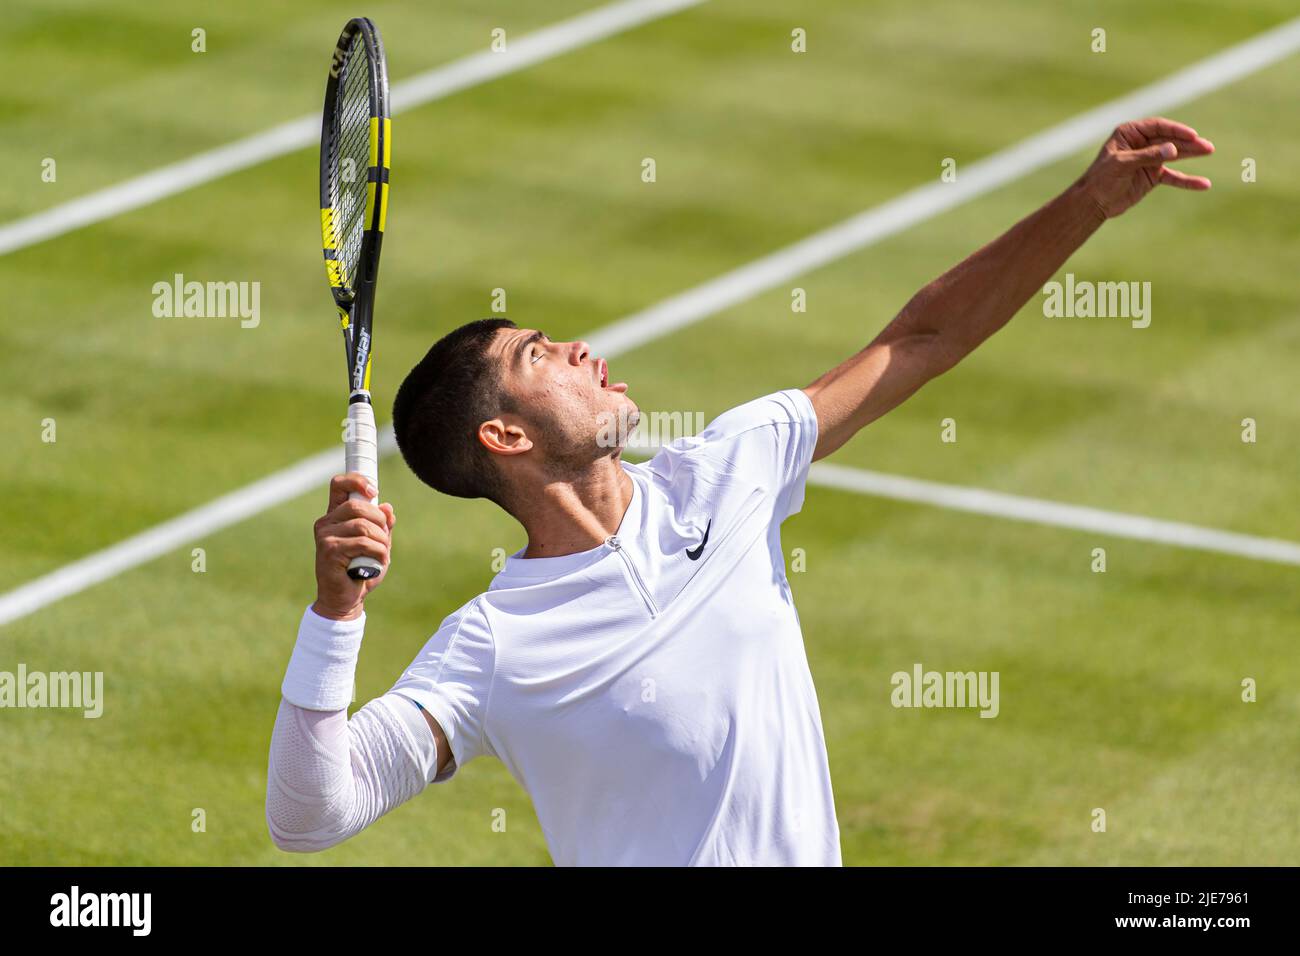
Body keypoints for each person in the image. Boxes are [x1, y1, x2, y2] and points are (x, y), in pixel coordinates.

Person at [266, 117, 1213, 865]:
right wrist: (334, 615)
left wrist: (1088, 202)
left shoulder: (728, 469)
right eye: (539, 355)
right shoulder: (489, 648)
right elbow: (312, 814)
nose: (580, 349)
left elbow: (923, 339)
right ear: (504, 435)